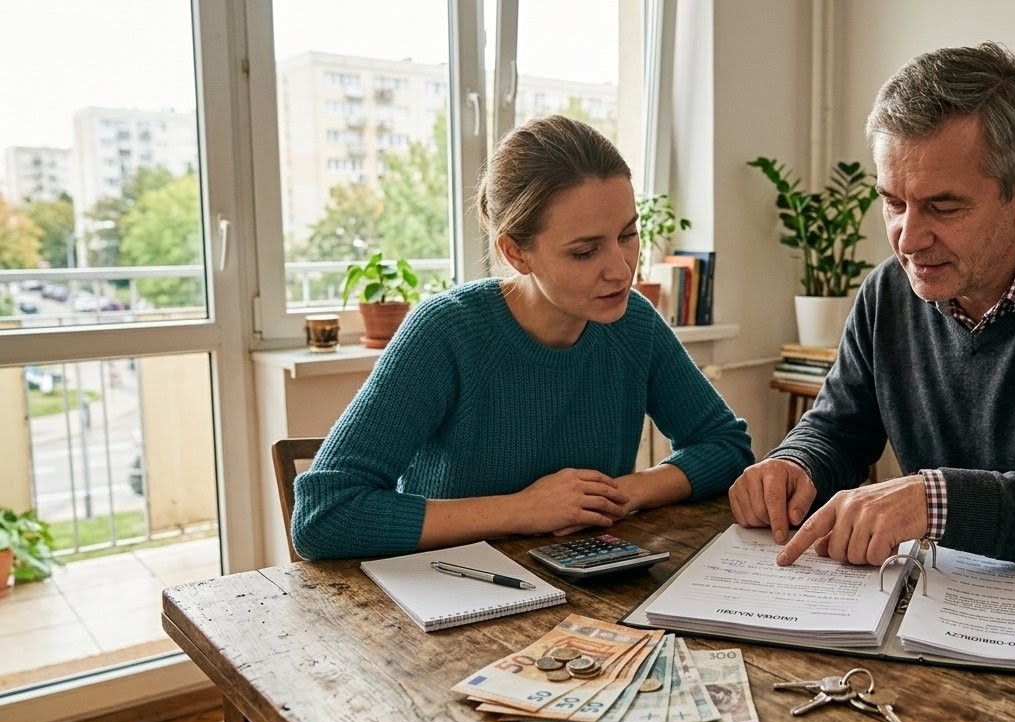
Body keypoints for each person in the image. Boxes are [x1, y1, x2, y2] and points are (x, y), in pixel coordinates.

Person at [730, 43, 1015, 576]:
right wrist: (796, 464)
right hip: (951, 610)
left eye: (943, 206)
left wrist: (938, 502)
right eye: (893, 202)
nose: (907, 239)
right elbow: (838, 431)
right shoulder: (887, 293)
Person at [293, 115, 753, 560]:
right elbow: (323, 514)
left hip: (586, 585)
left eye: (628, 234)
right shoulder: (445, 332)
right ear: (515, 252)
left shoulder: (635, 325)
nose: (620, 268)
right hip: (448, 598)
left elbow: (726, 447)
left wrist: (623, 492)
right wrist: (522, 510)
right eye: (585, 251)